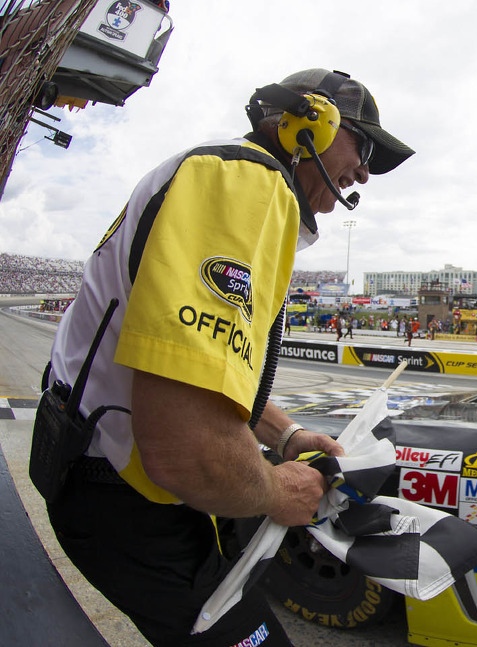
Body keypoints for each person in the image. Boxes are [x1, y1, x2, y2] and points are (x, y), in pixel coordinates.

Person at [40, 68, 413, 646]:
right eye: (361, 146)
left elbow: (190, 360)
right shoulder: (248, 184)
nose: (364, 171)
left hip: (105, 482)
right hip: (129, 503)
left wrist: (283, 435)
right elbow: (188, 452)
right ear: (308, 123)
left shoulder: (217, 176)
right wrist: (275, 488)